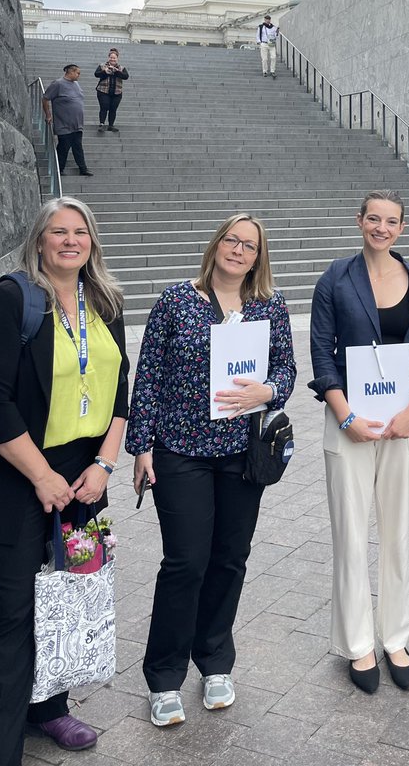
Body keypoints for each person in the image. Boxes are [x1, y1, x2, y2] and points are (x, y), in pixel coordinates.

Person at [0, 197, 129, 764]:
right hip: (15, 479)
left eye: (81, 231)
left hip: (82, 483)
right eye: (59, 231)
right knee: (13, 616)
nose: (70, 240)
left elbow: (121, 391)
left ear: (92, 241)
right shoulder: (12, 300)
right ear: (40, 240)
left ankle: (48, 709)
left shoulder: (106, 300)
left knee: (65, 595)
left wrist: (103, 466)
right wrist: (43, 477)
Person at [127, 213, 296, 728]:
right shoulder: (175, 300)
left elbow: (286, 368)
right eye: (232, 240)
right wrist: (141, 447)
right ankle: (163, 675)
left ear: (258, 256)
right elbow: (149, 375)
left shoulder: (269, 306)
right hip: (180, 451)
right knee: (185, 561)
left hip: (242, 453)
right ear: (216, 244)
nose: (239, 250)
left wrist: (268, 391)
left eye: (249, 245)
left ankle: (215, 660)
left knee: (229, 558)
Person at [309, 189, 409, 693]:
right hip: (349, 422)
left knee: (397, 535)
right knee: (350, 534)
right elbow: (321, 353)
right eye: (374, 219)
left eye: (391, 221)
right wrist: (344, 415)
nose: (381, 228)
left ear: (402, 228)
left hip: (402, 424)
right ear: (360, 220)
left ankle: (395, 637)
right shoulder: (335, 278)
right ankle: (358, 643)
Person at [42, 64, 92, 176]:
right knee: (64, 146)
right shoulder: (58, 84)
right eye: (77, 73)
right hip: (64, 123)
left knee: (78, 146)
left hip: (77, 123)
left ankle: (83, 168)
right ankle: (59, 169)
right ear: (70, 72)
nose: (79, 75)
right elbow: (45, 99)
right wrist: (48, 115)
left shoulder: (76, 84)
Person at [93, 47, 129, 131]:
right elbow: (96, 74)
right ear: (108, 58)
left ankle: (111, 125)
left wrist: (117, 71)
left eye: (114, 58)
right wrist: (104, 71)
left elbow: (126, 76)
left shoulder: (121, 68)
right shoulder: (102, 66)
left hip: (117, 92)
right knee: (104, 106)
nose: (113, 59)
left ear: (117, 58)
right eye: (111, 57)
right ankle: (102, 124)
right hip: (103, 90)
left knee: (113, 108)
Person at [257, 13, 278, 78]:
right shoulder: (261, 27)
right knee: (264, 59)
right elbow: (258, 35)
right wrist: (259, 42)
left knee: (273, 57)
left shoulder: (273, 27)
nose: (267, 20)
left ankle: (272, 71)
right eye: (266, 19)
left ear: (270, 20)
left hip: (271, 44)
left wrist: (277, 32)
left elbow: (276, 36)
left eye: (269, 19)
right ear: (264, 20)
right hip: (264, 43)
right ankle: (265, 71)